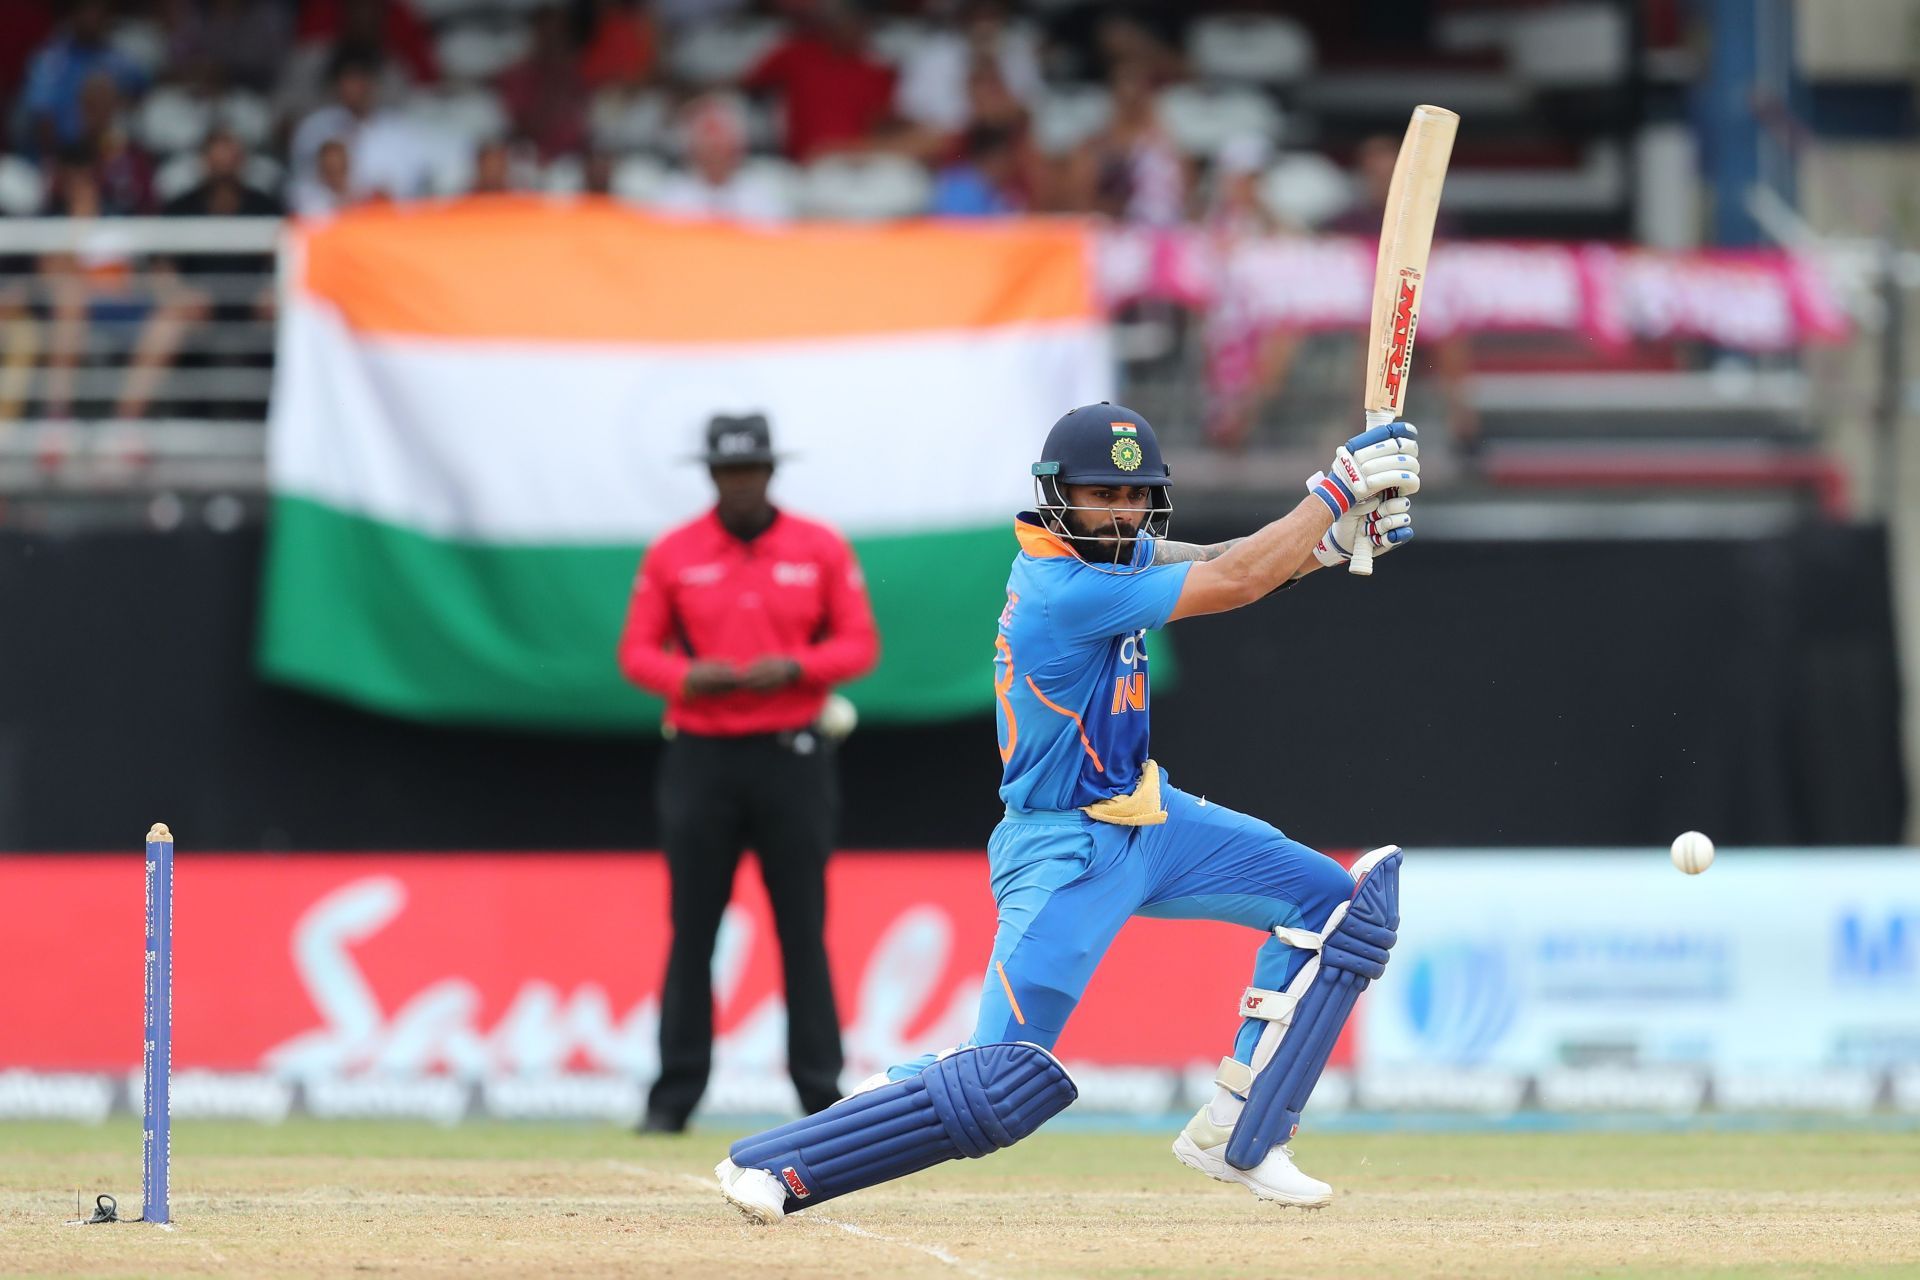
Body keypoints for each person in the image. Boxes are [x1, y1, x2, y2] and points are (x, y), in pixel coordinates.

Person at [716, 403, 1419, 1220]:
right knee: (1001, 1077)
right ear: (1057, 496)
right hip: (1063, 850)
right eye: (1101, 495)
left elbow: (1226, 556)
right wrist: (1338, 489)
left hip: (1151, 826)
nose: (1120, 512)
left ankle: (1243, 1132)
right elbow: (1238, 580)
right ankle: (785, 1164)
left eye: (1134, 496)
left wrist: (1331, 544)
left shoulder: (1116, 560)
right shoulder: (1065, 587)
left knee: (1337, 909)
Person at [618, 412, 880, 1134]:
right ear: (710, 475)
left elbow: (859, 644)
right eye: (728, 472)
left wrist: (797, 666)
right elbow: (636, 654)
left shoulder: (818, 547)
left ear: (770, 472)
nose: (739, 484)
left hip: (792, 754)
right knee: (692, 930)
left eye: (751, 471)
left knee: (803, 929)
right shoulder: (674, 553)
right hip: (700, 755)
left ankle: (821, 1099)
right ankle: (672, 1100)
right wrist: (685, 676)